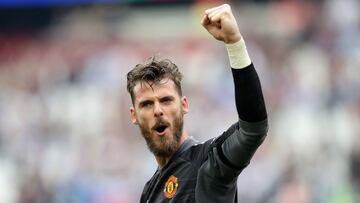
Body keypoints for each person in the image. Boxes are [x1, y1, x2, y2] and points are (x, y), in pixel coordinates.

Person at [126, 4, 268, 202]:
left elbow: (252, 130)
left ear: (184, 105)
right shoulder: (149, 192)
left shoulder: (207, 164)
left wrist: (234, 42)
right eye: (147, 104)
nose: (158, 111)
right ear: (134, 115)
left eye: (166, 100)